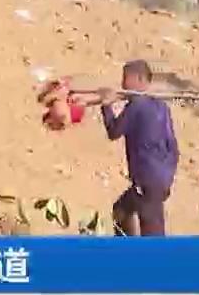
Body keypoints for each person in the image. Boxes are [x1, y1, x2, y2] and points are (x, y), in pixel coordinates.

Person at [42, 61, 180, 237]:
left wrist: (106, 105)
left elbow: (114, 131)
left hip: (147, 180)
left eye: (125, 79)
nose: (122, 84)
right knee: (120, 212)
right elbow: (173, 147)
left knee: (152, 235)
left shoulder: (136, 106)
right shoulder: (161, 106)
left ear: (139, 79)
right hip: (160, 177)